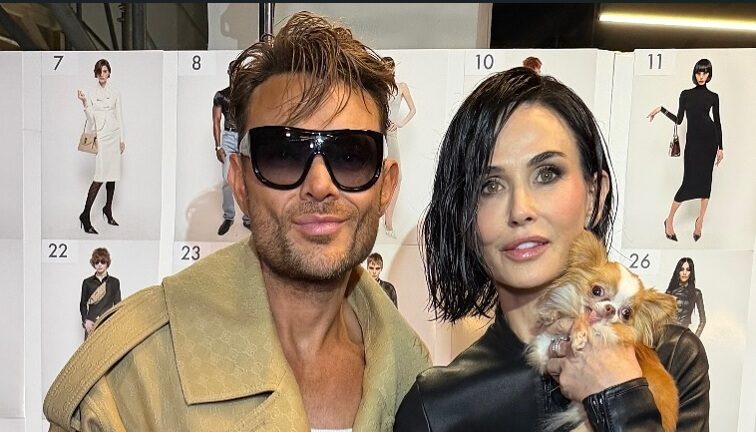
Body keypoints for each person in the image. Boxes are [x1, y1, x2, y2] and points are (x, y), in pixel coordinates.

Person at [44, 12, 431, 432]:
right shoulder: (129, 380)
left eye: (351, 156)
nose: (320, 185)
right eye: (282, 155)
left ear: (386, 187)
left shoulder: (417, 384)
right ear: (240, 183)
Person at [394, 68, 709, 431]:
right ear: (465, 216)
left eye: (547, 174)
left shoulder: (671, 359)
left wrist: (617, 395)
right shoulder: (437, 408)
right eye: (489, 186)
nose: (520, 209)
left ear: (595, 195)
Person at [648, 59, 723, 242]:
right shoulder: (686, 94)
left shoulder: (713, 96)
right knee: (687, 183)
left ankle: (700, 222)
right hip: (693, 144)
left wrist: (720, 147)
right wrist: (662, 110)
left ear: (709, 75)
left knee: (706, 184)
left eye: (705, 73)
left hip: (709, 142)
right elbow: (679, 120)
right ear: (695, 74)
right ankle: (669, 220)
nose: (701, 76)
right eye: (699, 73)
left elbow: (717, 122)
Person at [76, 59, 124, 234]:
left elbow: (119, 116)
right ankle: (85, 215)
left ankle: (108, 210)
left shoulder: (115, 92)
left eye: (104, 71)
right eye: (99, 72)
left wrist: (122, 139)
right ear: (96, 74)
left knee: (113, 175)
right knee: (100, 176)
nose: (102, 74)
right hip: (102, 137)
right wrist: (84, 102)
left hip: (114, 135)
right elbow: (90, 119)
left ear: (109, 73)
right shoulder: (90, 93)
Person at [212, 60, 251, 235]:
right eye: (233, 71)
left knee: (247, 178)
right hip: (228, 136)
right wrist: (218, 146)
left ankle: (248, 217)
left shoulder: (247, 94)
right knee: (227, 179)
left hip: (244, 136)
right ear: (229, 72)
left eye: (238, 71)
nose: (235, 74)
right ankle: (228, 216)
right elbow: (216, 121)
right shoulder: (221, 95)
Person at [382, 71, 417, 238]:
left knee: (397, 176)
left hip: (391, 133)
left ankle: (388, 220)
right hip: (378, 132)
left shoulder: (402, 87)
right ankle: (378, 217)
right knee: (376, 174)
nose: (388, 71)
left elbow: (413, 110)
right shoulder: (380, 87)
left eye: (390, 68)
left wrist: (400, 123)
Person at [79, 247, 121, 340]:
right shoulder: (87, 282)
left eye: (102, 262)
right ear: (93, 264)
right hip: (91, 325)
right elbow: (83, 304)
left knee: (109, 348)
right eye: (97, 262)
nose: (99, 265)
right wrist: (86, 321)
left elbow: (118, 305)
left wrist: (115, 324)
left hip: (108, 324)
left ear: (107, 263)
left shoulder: (114, 282)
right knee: (90, 349)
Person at [666, 257, 706, 337]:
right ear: (678, 271)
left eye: (688, 270)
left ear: (691, 272)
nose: (684, 273)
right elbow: (662, 317)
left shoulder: (696, 293)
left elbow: (703, 320)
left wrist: (695, 337)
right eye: (682, 269)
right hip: (670, 334)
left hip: (684, 335)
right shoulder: (670, 292)